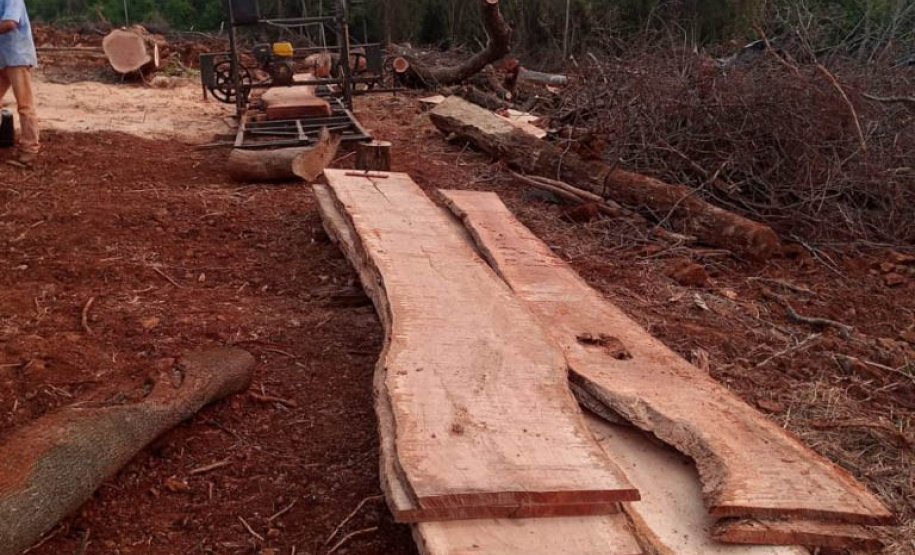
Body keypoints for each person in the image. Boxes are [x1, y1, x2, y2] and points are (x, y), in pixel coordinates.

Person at [0, 0, 38, 164]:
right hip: (2, 58)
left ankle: (29, 149)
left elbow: (10, 23)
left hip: (18, 57)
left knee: (24, 105)